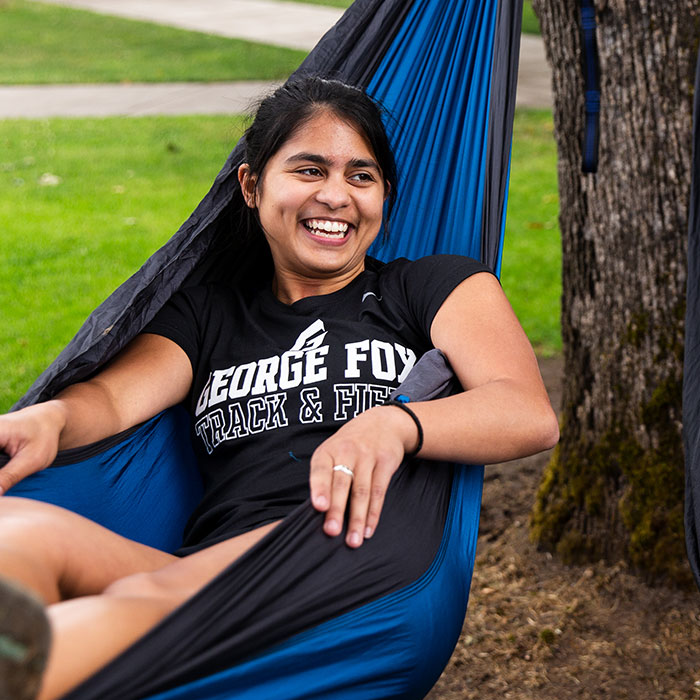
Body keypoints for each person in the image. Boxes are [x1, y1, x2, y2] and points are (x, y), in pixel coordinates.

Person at [0, 77, 559, 700]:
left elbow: (527, 411)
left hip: (352, 546)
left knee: (133, 608)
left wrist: (395, 424)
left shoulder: (429, 287)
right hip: (217, 567)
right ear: (251, 185)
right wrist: (49, 420)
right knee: (18, 531)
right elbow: (110, 400)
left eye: (361, 176)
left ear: (384, 196)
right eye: (309, 169)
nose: (336, 196)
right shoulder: (208, 315)